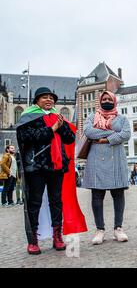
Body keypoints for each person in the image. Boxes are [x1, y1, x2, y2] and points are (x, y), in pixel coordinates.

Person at [16, 87, 87, 255]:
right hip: (36, 166)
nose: (49, 100)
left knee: (56, 201)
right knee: (35, 203)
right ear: (36, 101)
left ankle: (57, 236)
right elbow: (26, 136)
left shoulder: (57, 116)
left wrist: (60, 126)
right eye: (44, 97)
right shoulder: (28, 116)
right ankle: (33, 240)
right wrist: (51, 129)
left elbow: (70, 138)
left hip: (56, 166)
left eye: (51, 98)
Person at [83, 91, 131, 245]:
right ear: (100, 101)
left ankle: (118, 228)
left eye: (109, 98)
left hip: (115, 157)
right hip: (96, 158)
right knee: (97, 195)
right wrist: (113, 133)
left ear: (114, 100)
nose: (106, 100)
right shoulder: (91, 117)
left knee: (118, 193)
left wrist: (107, 139)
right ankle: (100, 230)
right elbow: (88, 131)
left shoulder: (122, 118)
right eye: (104, 99)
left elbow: (126, 134)